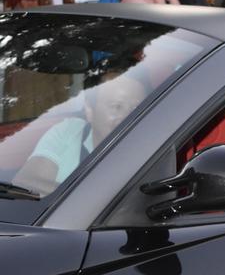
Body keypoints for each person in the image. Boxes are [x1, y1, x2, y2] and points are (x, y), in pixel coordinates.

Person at [14, 74, 148, 194]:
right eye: (117, 106)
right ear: (89, 110)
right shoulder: (68, 131)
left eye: (137, 108)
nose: (129, 117)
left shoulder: (154, 149)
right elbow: (26, 181)